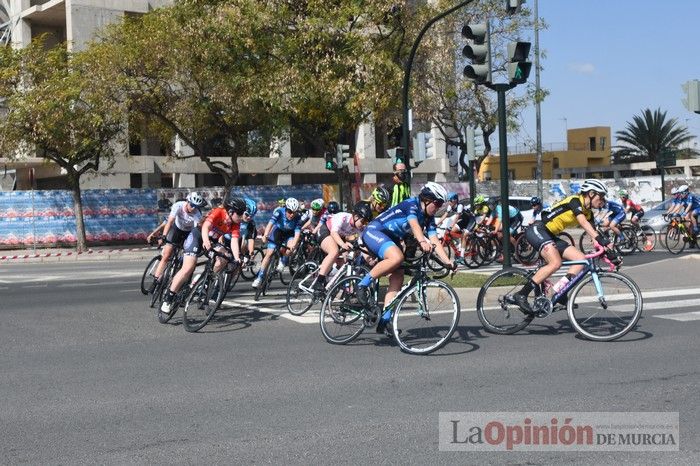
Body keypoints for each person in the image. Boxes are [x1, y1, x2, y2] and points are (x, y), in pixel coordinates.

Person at [359, 182, 455, 334]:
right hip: (375, 230)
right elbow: (414, 224)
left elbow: (435, 239)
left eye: (441, 204)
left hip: (391, 238)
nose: (438, 208)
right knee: (397, 257)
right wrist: (422, 241)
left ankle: (385, 320)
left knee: (398, 276)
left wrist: (448, 262)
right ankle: (362, 286)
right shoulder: (411, 204)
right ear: (427, 200)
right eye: (437, 203)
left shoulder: (428, 218)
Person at [514, 179, 612, 314]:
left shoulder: (588, 213)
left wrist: (609, 251)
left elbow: (593, 235)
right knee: (555, 263)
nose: (603, 200)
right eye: (601, 196)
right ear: (591, 193)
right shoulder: (575, 201)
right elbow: (583, 223)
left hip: (550, 235)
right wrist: (601, 240)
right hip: (538, 228)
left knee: (581, 260)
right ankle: (521, 294)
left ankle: (560, 291)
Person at [161, 197, 246, 314]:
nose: (241, 217)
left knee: (225, 257)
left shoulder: (235, 223)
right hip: (198, 236)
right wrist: (206, 241)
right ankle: (168, 298)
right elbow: (205, 226)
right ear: (231, 212)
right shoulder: (219, 211)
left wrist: (237, 258)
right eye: (240, 214)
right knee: (188, 268)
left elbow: (234, 241)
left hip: (212, 241)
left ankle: (205, 280)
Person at [150, 192, 205, 292]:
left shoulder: (197, 213)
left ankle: (182, 282)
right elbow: (169, 222)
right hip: (176, 229)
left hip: (188, 233)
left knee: (187, 259)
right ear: (187, 202)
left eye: (196, 207)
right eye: (192, 205)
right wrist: (163, 236)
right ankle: (156, 281)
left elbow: (198, 230)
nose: (193, 208)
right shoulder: (178, 206)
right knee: (166, 255)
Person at [313, 201, 373, 292]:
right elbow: (334, 233)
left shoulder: (359, 228)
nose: (364, 224)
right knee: (334, 251)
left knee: (345, 262)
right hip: (326, 231)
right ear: (356, 217)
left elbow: (362, 245)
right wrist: (343, 244)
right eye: (363, 221)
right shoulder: (343, 217)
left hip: (339, 237)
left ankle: (331, 279)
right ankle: (319, 281)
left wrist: (370, 259)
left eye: (366, 222)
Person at [253, 197, 303, 288]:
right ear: (286, 209)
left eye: (294, 212)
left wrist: (294, 245)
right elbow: (270, 224)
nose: (291, 215)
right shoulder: (279, 211)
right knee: (269, 253)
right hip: (278, 231)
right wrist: (265, 235)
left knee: (290, 249)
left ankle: (283, 261)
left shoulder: (298, 218)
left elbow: (297, 233)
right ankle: (259, 277)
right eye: (289, 212)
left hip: (289, 234)